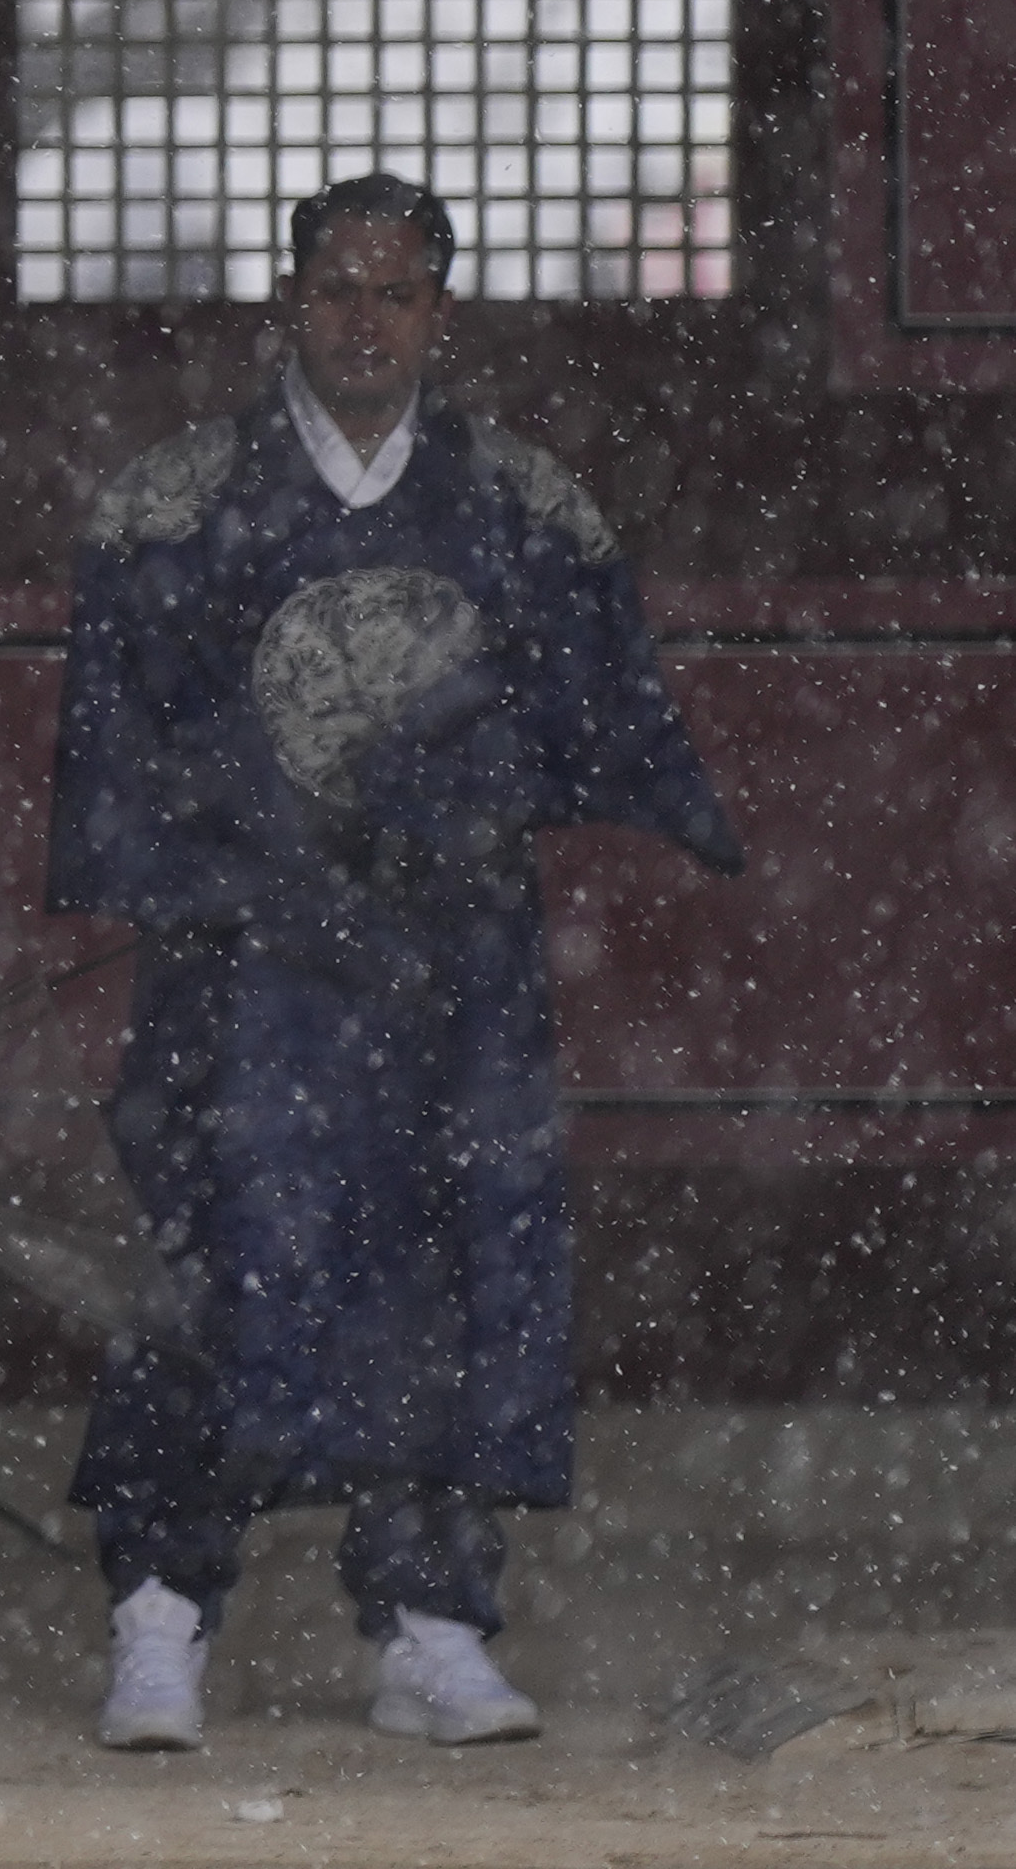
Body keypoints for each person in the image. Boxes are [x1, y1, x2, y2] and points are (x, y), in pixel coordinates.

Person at [55, 172, 741, 1758]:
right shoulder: (174, 504)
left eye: (394, 291)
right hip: (248, 972)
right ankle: (160, 1615)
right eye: (336, 288)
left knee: (457, 1268)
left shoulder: (515, 504)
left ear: (440, 310)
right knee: (210, 1263)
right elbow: (121, 756)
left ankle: (428, 1622)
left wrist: (452, 798)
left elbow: (587, 718)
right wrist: (246, 855)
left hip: (450, 972)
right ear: (288, 303)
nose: (362, 319)